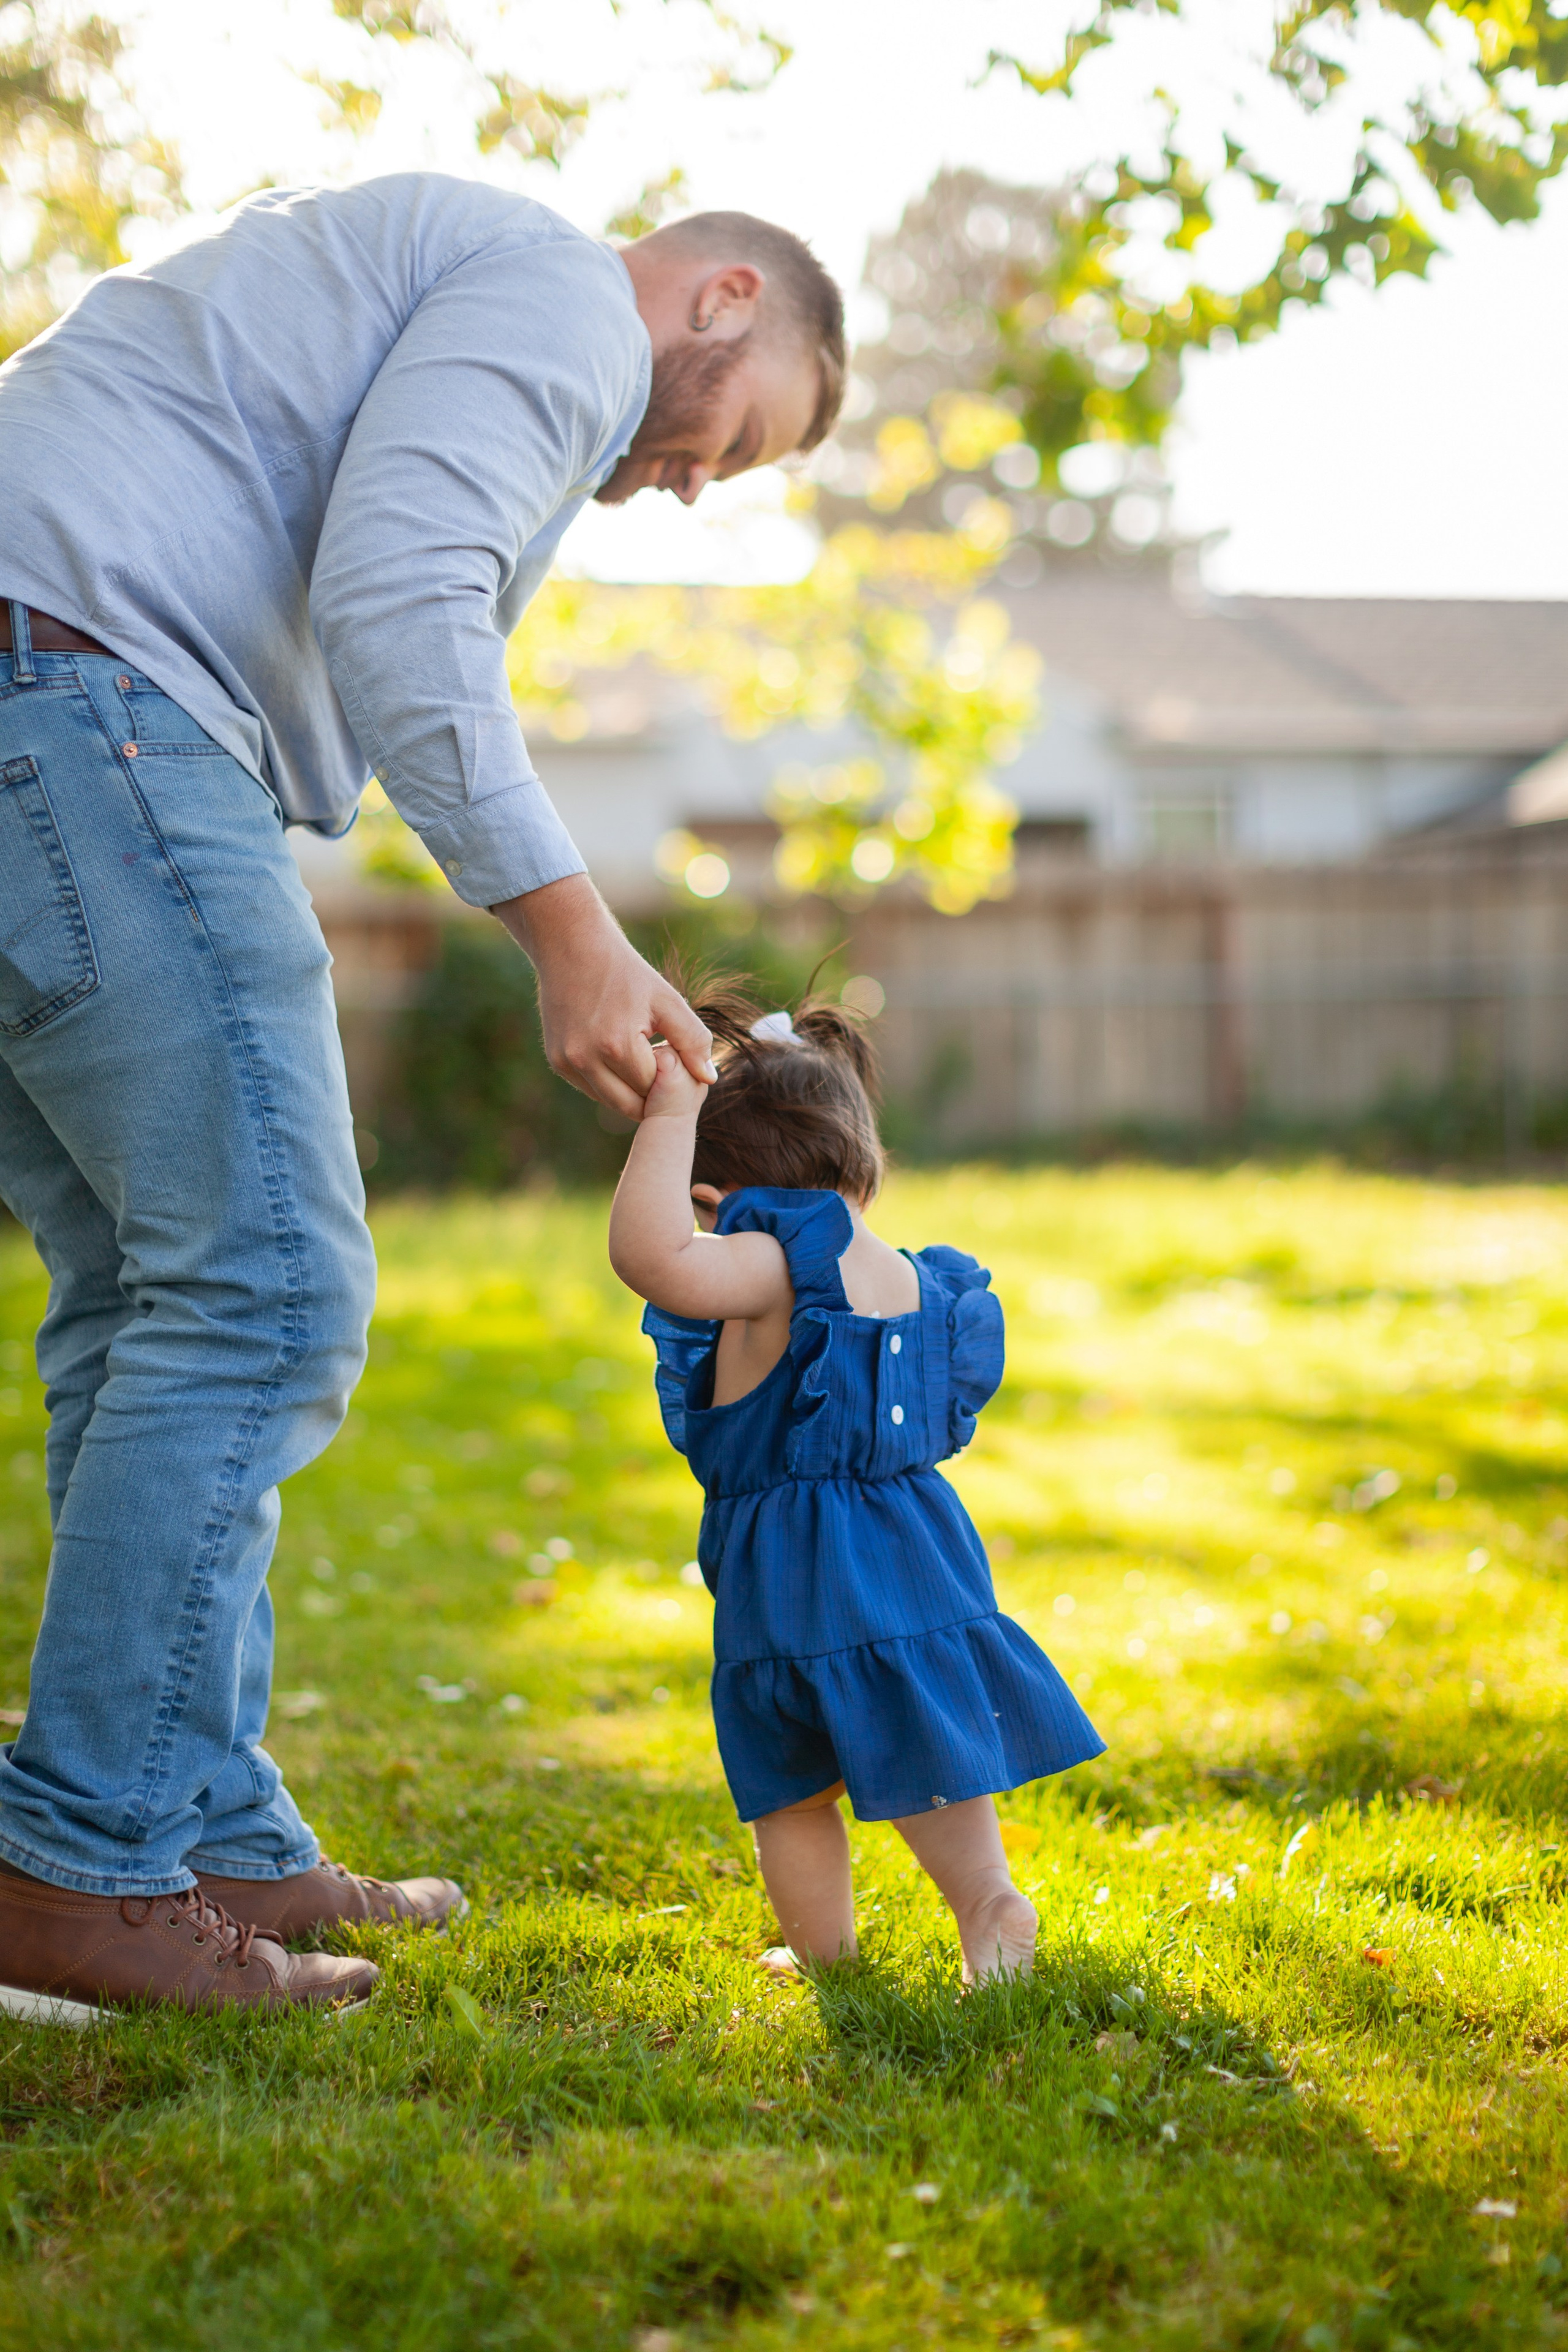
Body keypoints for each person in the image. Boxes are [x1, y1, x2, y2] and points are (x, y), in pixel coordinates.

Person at [0, 175, 845, 2024]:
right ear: (719, 300)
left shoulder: (449, 281)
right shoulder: (557, 295)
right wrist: (569, 935)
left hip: (39, 706)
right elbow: (401, 597)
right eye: (741, 436)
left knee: (152, 1306)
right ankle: (73, 1866)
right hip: (82, 701)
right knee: (266, 1292)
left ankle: (197, 1827)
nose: (700, 483)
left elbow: (368, 617)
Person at [607, 980, 1103, 1981]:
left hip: (801, 1573)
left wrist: (667, 1116)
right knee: (929, 1732)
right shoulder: (925, 1278)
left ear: (719, 1198)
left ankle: (831, 1964)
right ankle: (988, 1901)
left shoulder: (768, 1262)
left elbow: (649, 1259)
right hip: (920, 1549)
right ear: (861, 1167)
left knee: (790, 1780)